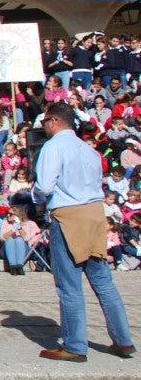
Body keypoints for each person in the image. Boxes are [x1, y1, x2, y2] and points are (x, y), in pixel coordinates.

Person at [32, 101, 135, 361]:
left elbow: (44, 186)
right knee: (103, 281)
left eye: (45, 121)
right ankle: (123, 340)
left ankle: (75, 345)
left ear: (54, 121)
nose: (44, 126)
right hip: (94, 213)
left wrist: (35, 196)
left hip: (69, 214)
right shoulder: (89, 150)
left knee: (69, 285)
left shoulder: (53, 146)